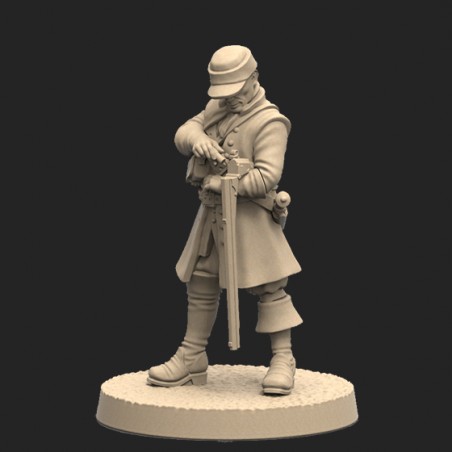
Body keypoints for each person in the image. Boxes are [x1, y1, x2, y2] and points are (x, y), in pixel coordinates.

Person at [147, 45, 303, 395]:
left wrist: (222, 183)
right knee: (201, 281)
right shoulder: (217, 108)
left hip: (250, 219)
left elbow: (266, 176)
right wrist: (198, 139)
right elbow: (184, 132)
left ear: (254, 79)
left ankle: (283, 358)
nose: (228, 99)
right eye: (223, 92)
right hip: (213, 216)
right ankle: (192, 356)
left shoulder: (270, 122)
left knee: (270, 287)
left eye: (235, 91)